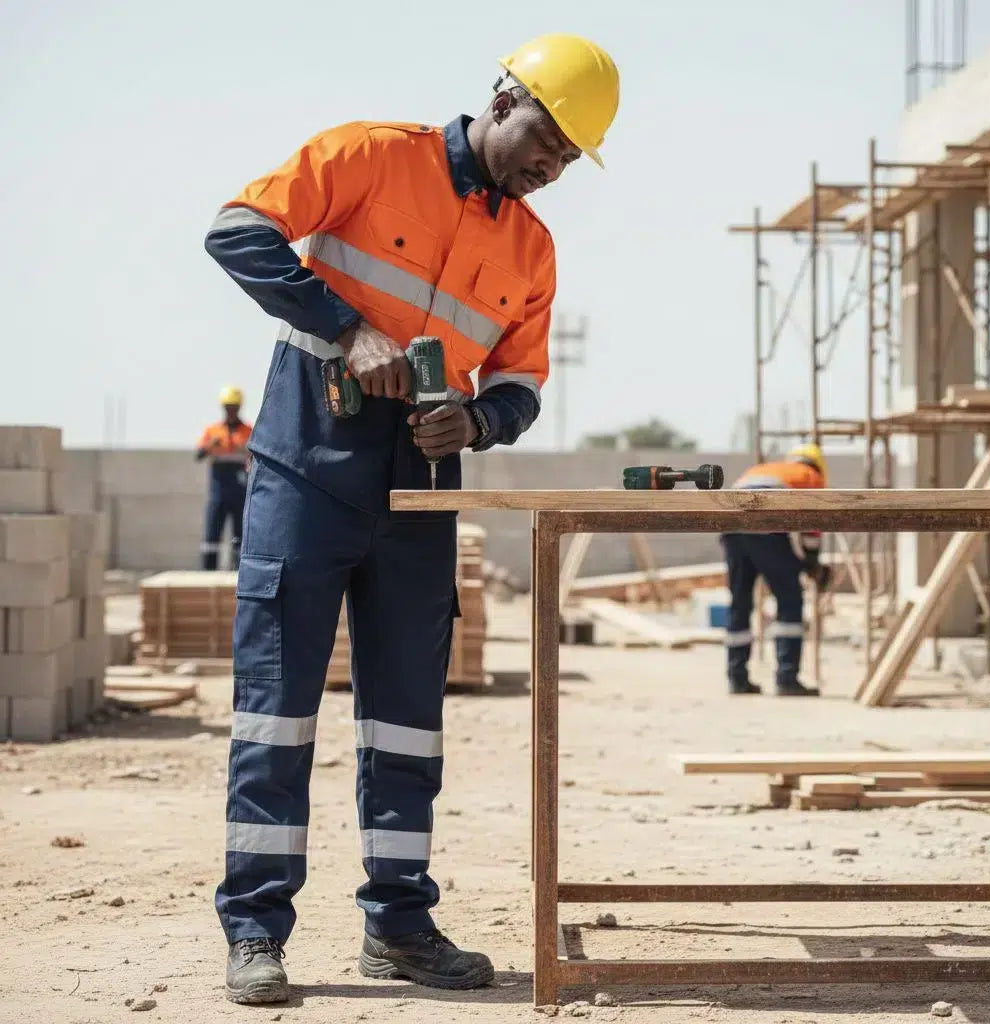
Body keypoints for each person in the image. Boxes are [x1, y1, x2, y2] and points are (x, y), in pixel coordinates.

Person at [203, 34, 619, 1004]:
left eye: (564, 161)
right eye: (543, 142)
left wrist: (474, 417)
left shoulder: (531, 247)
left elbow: (521, 378)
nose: (547, 169)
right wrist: (349, 330)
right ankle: (256, 931)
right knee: (278, 712)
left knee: (406, 726)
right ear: (504, 96)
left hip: (423, 490)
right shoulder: (369, 156)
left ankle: (397, 925)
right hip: (308, 466)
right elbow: (234, 230)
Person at [720, 444, 830, 698]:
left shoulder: (763, 468)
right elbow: (812, 530)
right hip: (765, 527)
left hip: (731, 526)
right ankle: (787, 678)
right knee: (789, 598)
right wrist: (812, 564)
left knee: (740, 602)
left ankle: (737, 678)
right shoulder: (811, 477)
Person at [196, 387, 252, 570]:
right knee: (212, 534)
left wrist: (244, 449)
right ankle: (207, 573)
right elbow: (198, 454)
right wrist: (209, 446)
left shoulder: (248, 431)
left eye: (234, 407)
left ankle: (239, 572)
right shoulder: (213, 431)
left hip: (239, 491)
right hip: (218, 491)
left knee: (240, 534)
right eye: (228, 407)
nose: (231, 411)